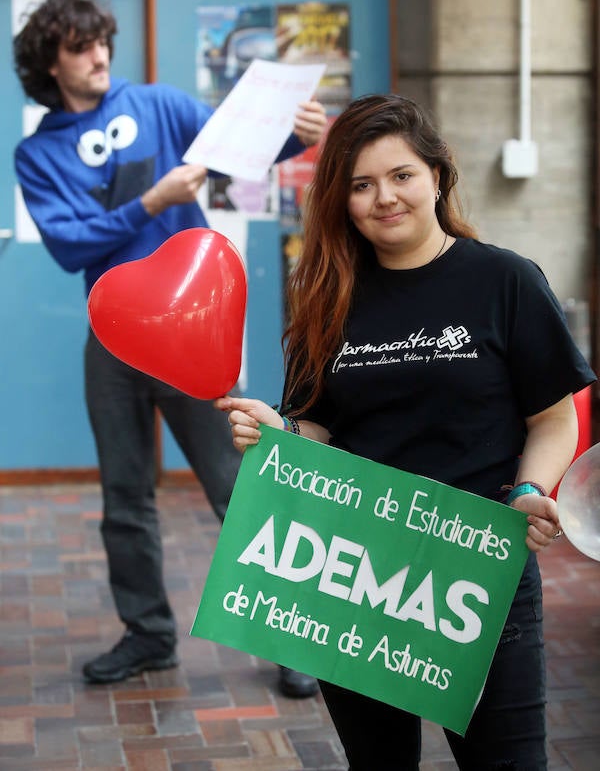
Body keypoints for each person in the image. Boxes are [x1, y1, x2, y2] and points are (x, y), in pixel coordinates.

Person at [216, 94, 596, 769]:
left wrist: (529, 490)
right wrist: (280, 439)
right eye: (361, 185)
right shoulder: (326, 293)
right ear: (341, 198)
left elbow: (554, 417)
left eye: (401, 176)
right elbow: (317, 429)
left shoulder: (503, 280)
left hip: (477, 569)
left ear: (437, 177)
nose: (383, 198)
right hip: (354, 572)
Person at [13, 0, 325, 698]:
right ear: (49, 64)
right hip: (113, 339)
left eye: (102, 43)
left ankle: (291, 635)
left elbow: (242, 145)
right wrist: (151, 201)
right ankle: (149, 636)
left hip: (193, 332)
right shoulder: (37, 154)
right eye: (79, 47)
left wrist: (298, 132)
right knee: (125, 495)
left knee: (236, 485)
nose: (99, 56)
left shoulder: (156, 104)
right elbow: (67, 245)